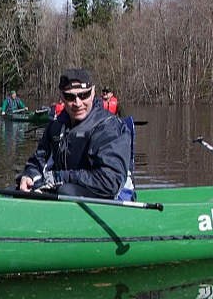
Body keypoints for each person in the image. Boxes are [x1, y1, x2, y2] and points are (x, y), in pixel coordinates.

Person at [18, 68, 134, 201]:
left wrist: (61, 177)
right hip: (66, 187)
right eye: (70, 97)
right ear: (62, 97)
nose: (78, 103)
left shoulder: (110, 127)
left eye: (84, 95)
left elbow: (110, 182)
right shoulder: (55, 127)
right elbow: (39, 160)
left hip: (113, 196)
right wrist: (29, 175)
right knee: (16, 190)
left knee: (66, 191)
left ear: (93, 92)